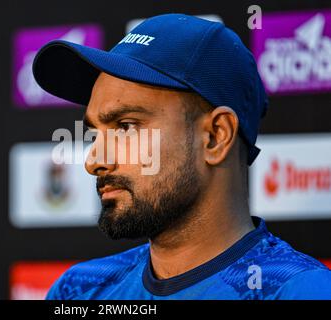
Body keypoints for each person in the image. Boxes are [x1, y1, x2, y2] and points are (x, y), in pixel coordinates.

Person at [32, 13, 331, 299]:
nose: (93, 161)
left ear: (216, 136)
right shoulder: (80, 290)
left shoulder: (300, 291)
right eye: (96, 134)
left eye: (125, 127)